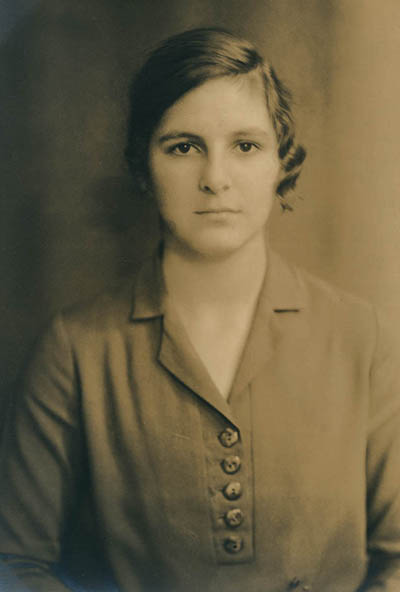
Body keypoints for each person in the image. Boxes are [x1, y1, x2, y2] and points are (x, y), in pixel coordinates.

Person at [0, 26, 399, 592]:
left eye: (245, 146)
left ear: (281, 162)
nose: (215, 179)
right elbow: (15, 561)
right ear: (143, 166)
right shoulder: (77, 349)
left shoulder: (361, 337)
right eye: (183, 147)